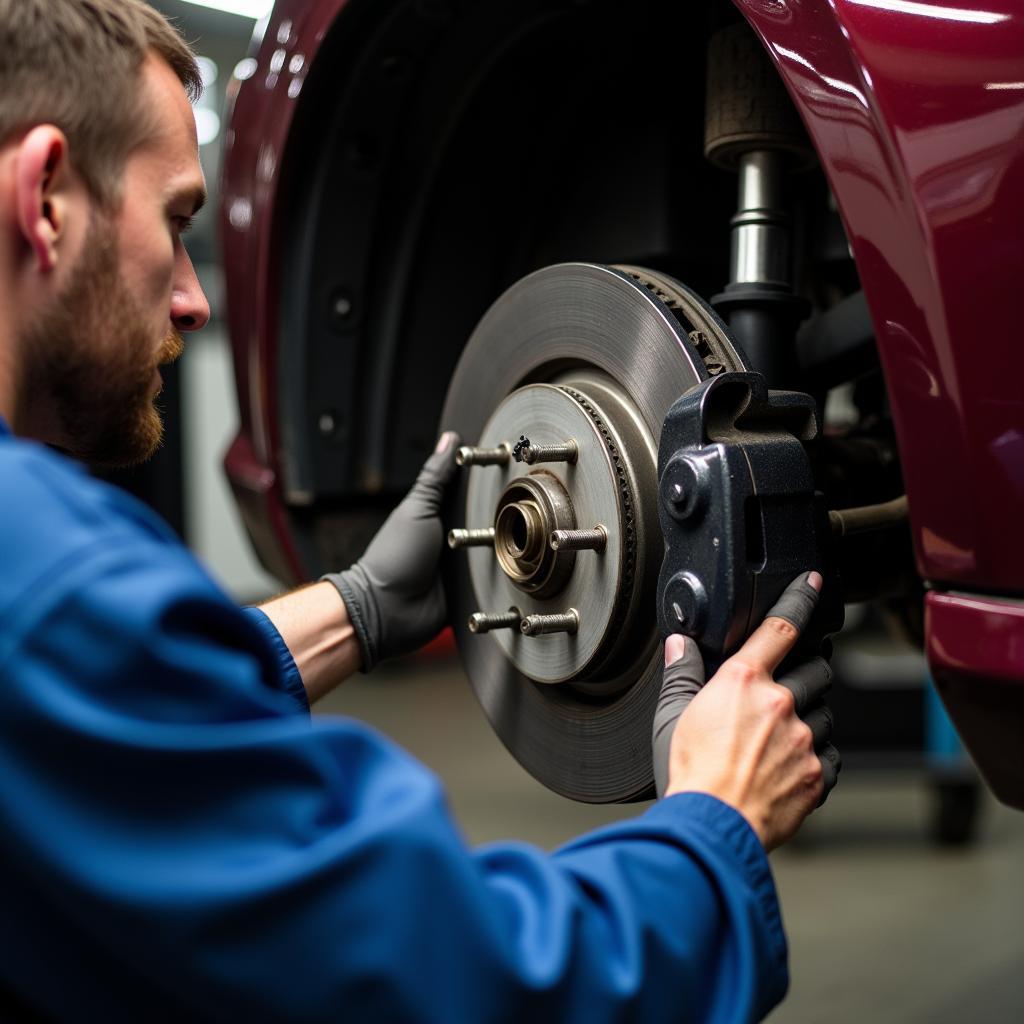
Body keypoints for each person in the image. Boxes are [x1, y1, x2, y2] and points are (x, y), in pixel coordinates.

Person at [0, 2, 836, 1020]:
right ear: (44, 198)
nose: (192, 298)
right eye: (178, 222)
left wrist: (349, 608)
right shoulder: (49, 583)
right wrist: (714, 822)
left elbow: (111, 740)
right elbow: (472, 983)